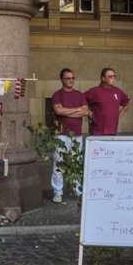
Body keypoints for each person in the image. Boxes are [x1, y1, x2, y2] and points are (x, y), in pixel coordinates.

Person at [45, 69, 91, 202]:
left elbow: (86, 112)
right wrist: (77, 109)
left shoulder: (80, 95)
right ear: (62, 80)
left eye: (73, 78)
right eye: (68, 78)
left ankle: (77, 190)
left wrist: (68, 111)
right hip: (62, 135)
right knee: (59, 163)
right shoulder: (57, 95)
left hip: (77, 134)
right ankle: (58, 192)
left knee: (77, 162)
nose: (71, 80)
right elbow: (59, 111)